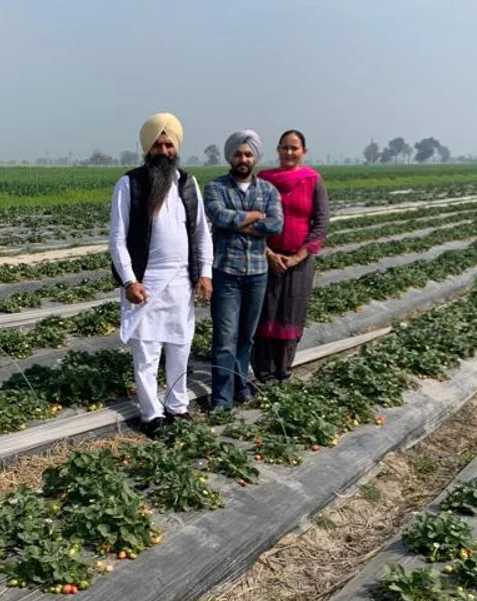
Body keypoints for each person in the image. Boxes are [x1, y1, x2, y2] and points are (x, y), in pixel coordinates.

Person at [109, 112, 214, 437]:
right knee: (147, 351)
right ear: (147, 147)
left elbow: (201, 232)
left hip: (182, 282)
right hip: (146, 282)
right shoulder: (129, 184)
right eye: (158, 144)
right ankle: (151, 414)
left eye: (169, 145)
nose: (164, 151)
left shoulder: (187, 184)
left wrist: (205, 273)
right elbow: (117, 238)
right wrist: (129, 280)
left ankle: (177, 406)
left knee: (180, 346)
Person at [204, 130, 283, 409]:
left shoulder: (268, 190)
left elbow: (276, 224)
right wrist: (253, 217)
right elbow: (217, 215)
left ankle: (240, 386)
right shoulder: (215, 187)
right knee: (225, 338)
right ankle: (221, 398)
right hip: (226, 272)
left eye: (248, 154)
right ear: (230, 157)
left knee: (246, 337)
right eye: (238, 153)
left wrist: (237, 223)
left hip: (257, 273)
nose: (243, 158)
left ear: (255, 158)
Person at [251, 129, 329, 383]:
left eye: (294, 148)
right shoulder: (264, 180)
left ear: (303, 152)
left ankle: (283, 370)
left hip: (300, 262)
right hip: (265, 258)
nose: (289, 152)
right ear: (278, 150)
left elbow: (321, 223)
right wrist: (268, 252)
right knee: (264, 311)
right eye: (285, 147)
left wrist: (297, 256)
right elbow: (253, 218)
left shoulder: (313, 180)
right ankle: (263, 371)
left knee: (291, 311)